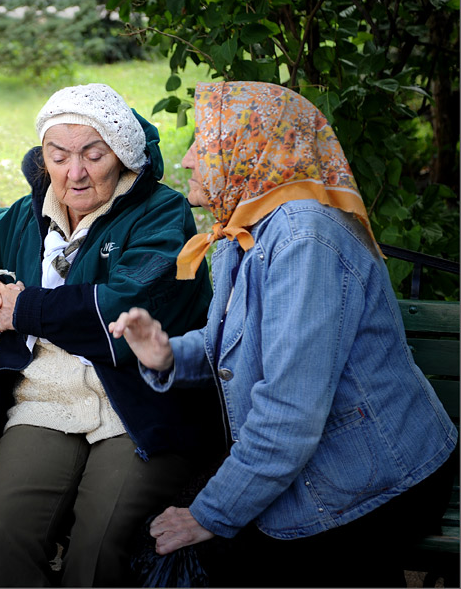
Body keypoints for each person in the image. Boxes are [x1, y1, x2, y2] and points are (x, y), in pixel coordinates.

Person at [110, 81, 459, 588]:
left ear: (249, 151)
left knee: (210, 556)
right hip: (316, 452)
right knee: (173, 541)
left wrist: (209, 515)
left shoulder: (303, 239)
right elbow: (228, 345)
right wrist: (167, 355)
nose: (187, 160)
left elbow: (290, 412)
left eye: (203, 145)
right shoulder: (245, 226)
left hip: (379, 475)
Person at [0, 83, 222, 587]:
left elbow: (123, 308)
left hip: (137, 402)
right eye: (59, 155)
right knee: (5, 532)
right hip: (45, 397)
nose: (75, 173)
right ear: (42, 157)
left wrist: (23, 307)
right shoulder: (31, 214)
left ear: (123, 155)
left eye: (94, 155)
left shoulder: (161, 212)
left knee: (99, 547)